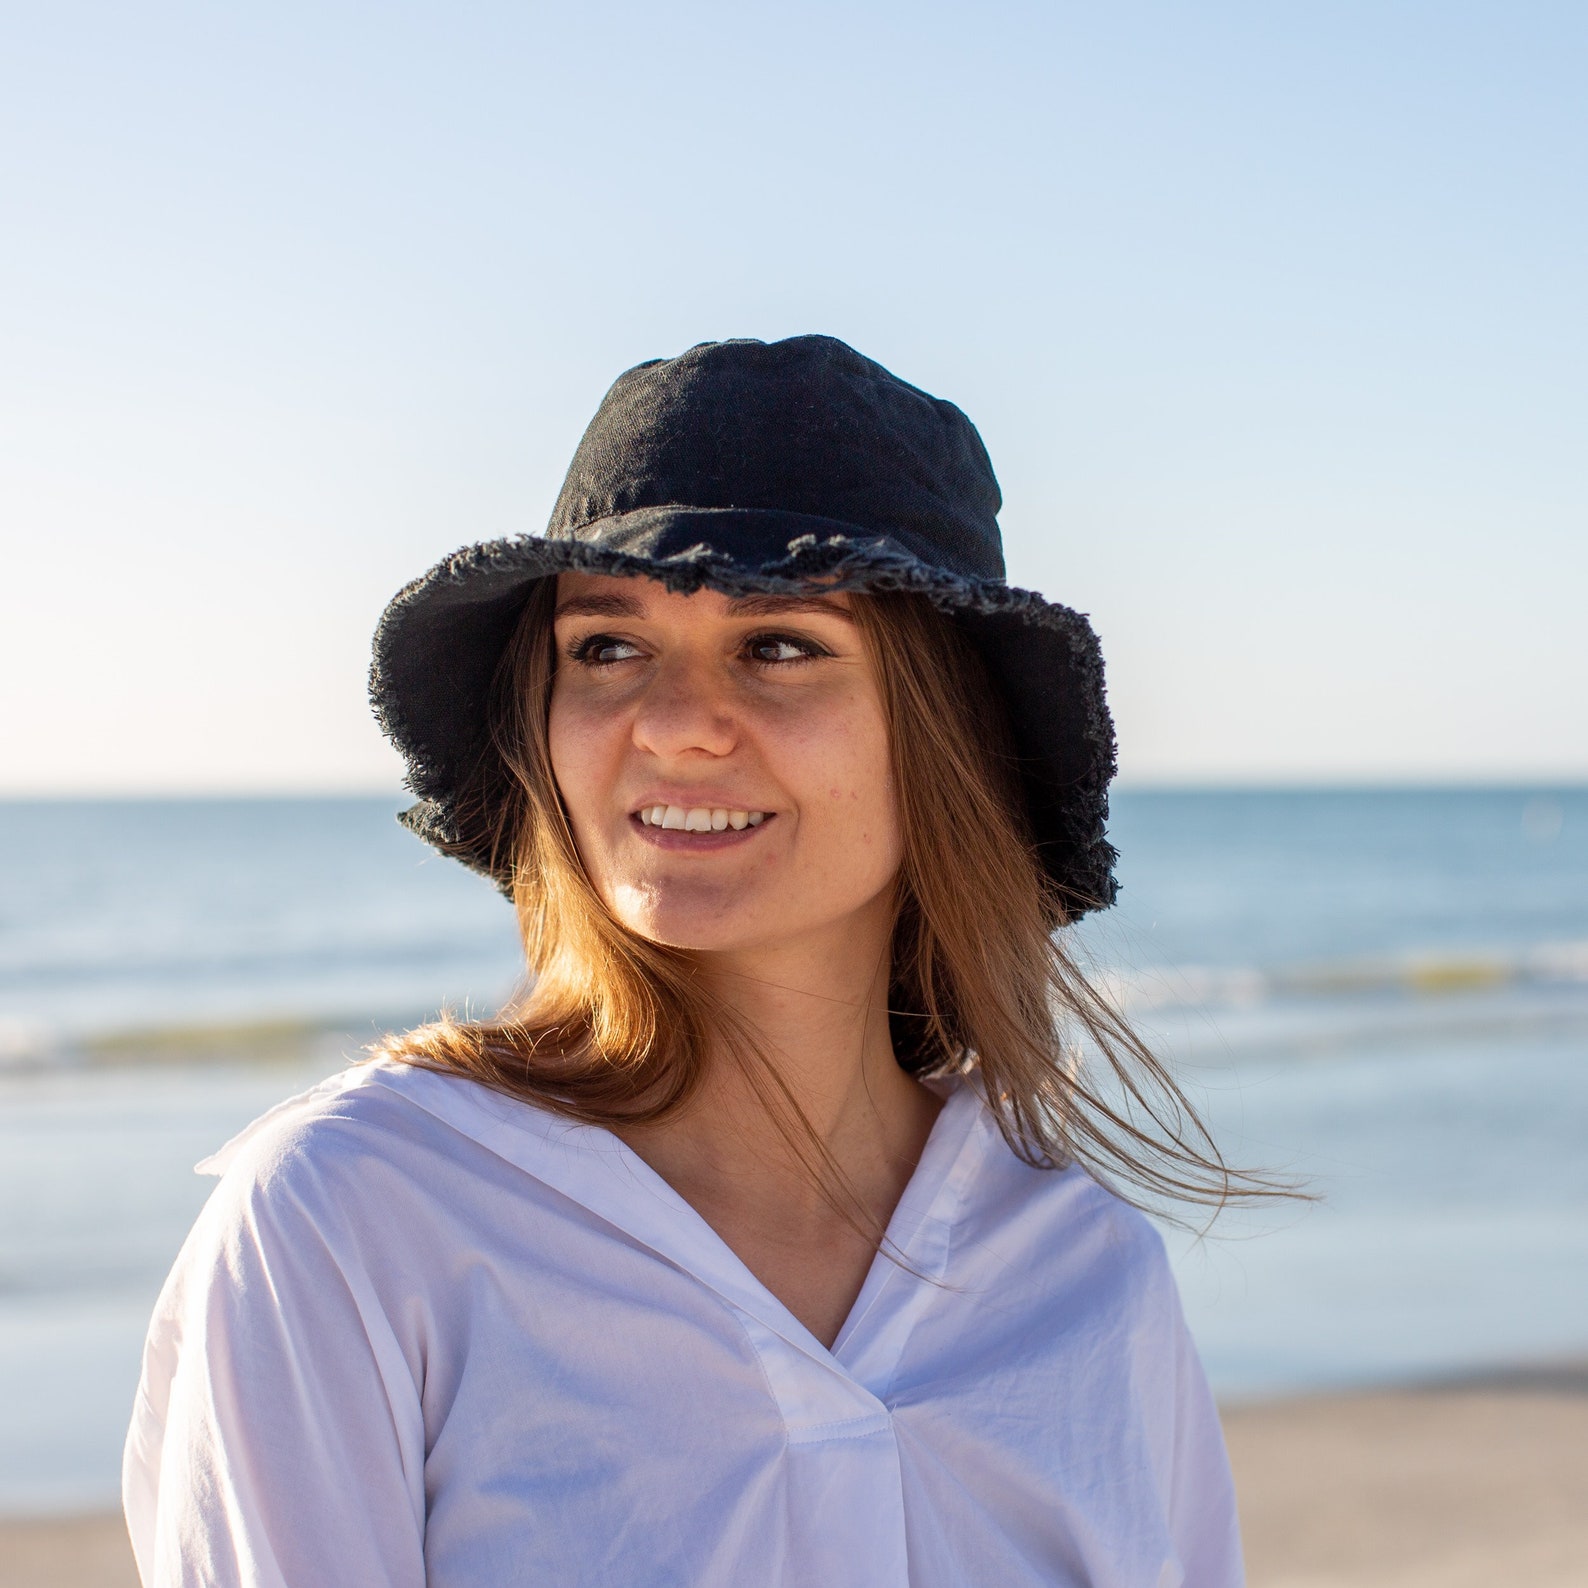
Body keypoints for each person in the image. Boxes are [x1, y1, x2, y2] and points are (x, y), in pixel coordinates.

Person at [123, 335, 1258, 1586]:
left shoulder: (1085, 1271)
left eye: (780, 644)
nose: (669, 725)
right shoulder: (351, 1225)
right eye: (605, 648)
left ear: (948, 732)